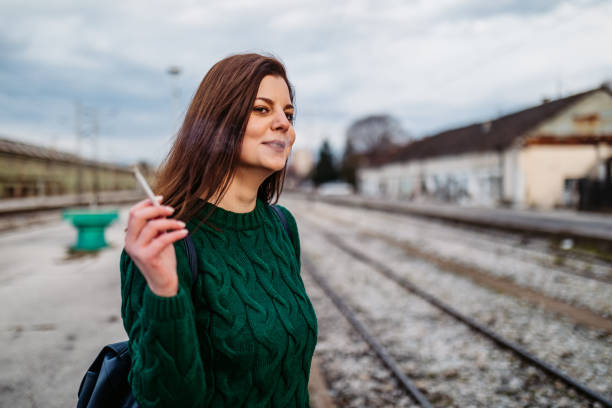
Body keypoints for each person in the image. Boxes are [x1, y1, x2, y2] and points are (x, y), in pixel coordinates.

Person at [120, 53, 318, 407]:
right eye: (262, 109)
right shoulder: (166, 240)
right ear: (216, 123)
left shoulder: (282, 227)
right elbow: (164, 400)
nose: (283, 124)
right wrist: (165, 290)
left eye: (288, 114)